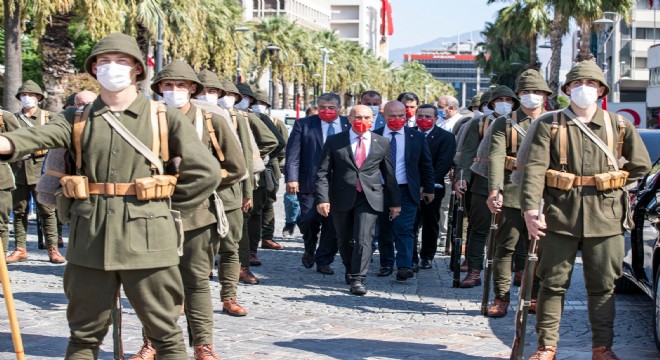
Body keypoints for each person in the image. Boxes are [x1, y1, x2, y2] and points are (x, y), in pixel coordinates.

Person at [0, 32, 221, 359]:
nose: (111, 67)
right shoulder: (76, 118)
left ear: (136, 69)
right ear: (93, 68)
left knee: (165, 334)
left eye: (121, 61)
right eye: (104, 61)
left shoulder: (162, 117)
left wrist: (164, 208)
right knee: (83, 336)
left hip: (149, 243)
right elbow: (31, 138)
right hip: (90, 240)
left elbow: (207, 172)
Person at [521, 60, 651, 360]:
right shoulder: (550, 124)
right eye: (577, 84)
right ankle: (546, 346)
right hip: (559, 216)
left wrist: (614, 180)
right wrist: (530, 209)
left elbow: (641, 165)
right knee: (552, 284)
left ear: (601, 90)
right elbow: (535, 170)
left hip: (606, 218)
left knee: (604, 287)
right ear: (567, 89)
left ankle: (602, 347)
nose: (584, 89)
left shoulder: (618, 125)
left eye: (591, 84)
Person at [128, 60, 245, 360]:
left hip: (198, 214)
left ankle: (203, 345)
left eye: (181, 85)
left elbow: (236, 167)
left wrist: (194, 183)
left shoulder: (210, 120)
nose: (174, 90)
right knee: (153, 286)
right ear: (158, 88)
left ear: (193, 88)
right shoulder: (144, 120)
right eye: (168, 85)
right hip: (152, 211)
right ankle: (152, 343)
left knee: (196, 282)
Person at [484, 69, 551, 317]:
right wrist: (494, 191)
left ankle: (534, 295)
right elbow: (496, 156)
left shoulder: (555, 120)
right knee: (505, 248)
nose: (531, 96)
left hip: (545, 195)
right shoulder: (505, 122)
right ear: (518, 95)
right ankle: (501, 297)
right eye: (525, 92)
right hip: (512, 191)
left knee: (540, 250)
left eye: (535, 92)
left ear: (544, 94)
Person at [315, 104, 401, 295]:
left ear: (373, 120)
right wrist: (322, 198)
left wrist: (395, 203)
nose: (362, 122)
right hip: (341, 196)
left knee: (364, 238)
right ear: (349, 119)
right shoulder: (335, 141)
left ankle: (358, 278)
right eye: (358, 117)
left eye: (367, 118)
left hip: (369, 197)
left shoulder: (382, 142)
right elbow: (322, 172)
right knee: (344, 239)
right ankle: (349, 267)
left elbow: (389, 175)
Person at [199, 71, 254, 317]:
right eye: (201, 91)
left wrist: (248, 191)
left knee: (230, 247)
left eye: (211, 91)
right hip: (193, 196)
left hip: (228, 192)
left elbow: (246, 160)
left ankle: (229, 295)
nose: (206, 96)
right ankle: (182, 297)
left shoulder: (232, 117)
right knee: (191, 250)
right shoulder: (170, 116)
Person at [456, 85, 519, 288]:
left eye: (508, 100)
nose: (504, 104)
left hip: (514, 182)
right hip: (482, 181)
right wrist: (462, 176)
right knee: (478, 227)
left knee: (517, 230)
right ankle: (474, 270)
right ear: (491, 103)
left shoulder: (522, 122)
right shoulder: (479, 123)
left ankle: (520, 270)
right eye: (500, 100)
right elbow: (467, 153)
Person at [285, 93, 349, 275]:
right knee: (309, 219)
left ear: (339, 108)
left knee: (333, 225)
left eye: (331, 107)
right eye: (322, 107)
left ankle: (323, 260)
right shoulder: (304, 124)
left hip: (340, 184)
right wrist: (292, 177)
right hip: (309, 182)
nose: (326, 111)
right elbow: (293, 154)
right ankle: (309, 246)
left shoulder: (348, 124)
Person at [374, 101, 435, 280]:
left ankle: (404, 265)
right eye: (392, 115)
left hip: (407, 189)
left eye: (401, 115)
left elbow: (426, 164)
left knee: (404, 227)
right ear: (384, 116)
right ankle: (386, 263)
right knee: (384, 228)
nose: (397, 119)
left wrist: (429, 188)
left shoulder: (416, 137)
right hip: (380, 189)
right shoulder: (374, 136)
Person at [6, 80, 63, 263]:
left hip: (42, 172)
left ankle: (52, 248)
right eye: (23, 95)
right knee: (20, 211)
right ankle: (20, 248)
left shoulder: (49, 117)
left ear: (39, 97)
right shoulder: (13, 119)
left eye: (30, 95)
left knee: (47, 211)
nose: (26, 98)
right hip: (19, 171)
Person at [235, 82, 281, 283]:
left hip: (257, 174)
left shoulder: (256, 117)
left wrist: (254, 157)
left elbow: (277, 141)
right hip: (230, 175)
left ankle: (248, 256)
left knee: (252, 215)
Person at [411, 104, 456, 270]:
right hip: (410, 186)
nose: (424, 119)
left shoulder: (446, 137)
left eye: (428, 116)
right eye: (420, 116)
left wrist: (426, 185)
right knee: (411, 223)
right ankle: (411, 257)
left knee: (431, 221)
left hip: (433, 187)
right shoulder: (409, 134)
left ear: (436, 119)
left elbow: (443, 164)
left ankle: (427, 256)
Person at [248, 90, 288, 258]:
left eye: (262, 103)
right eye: (256, 103)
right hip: (253, 167)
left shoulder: (275, 122)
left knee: (268, 203)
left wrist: (273, 161)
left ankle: (267, 237)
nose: (259, 106)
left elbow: (282, 145)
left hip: (270, 167)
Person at [0, 108, 19, 255]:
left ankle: (2, 270)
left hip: (1, 179)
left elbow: (19, 145)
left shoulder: (4, 117)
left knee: (0, 223)